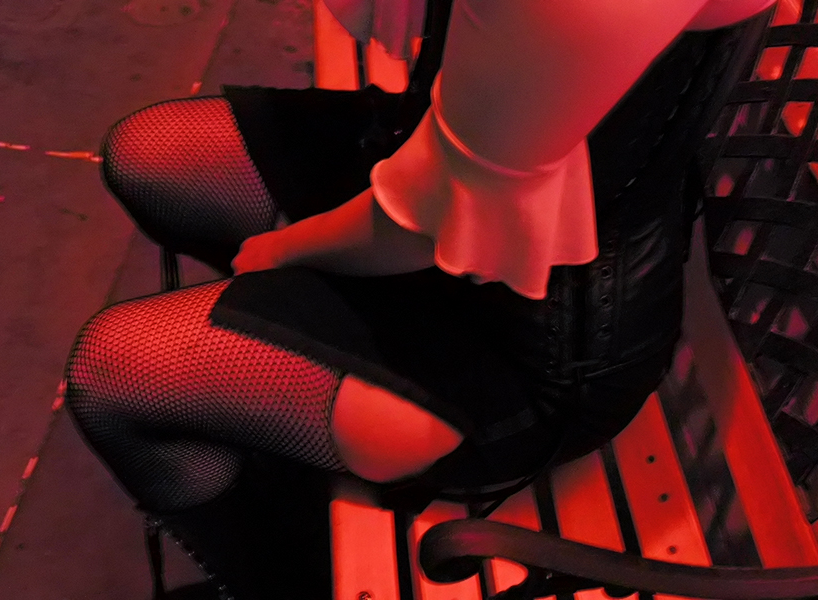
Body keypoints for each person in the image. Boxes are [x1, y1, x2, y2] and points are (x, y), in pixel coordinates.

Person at [64, 0, 775, 597]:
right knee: (151, 156)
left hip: (523, 342)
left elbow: (421, 228)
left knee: (116, 373)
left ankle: (278, 580)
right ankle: (283, 411)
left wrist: (278, 254)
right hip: (468, 165)